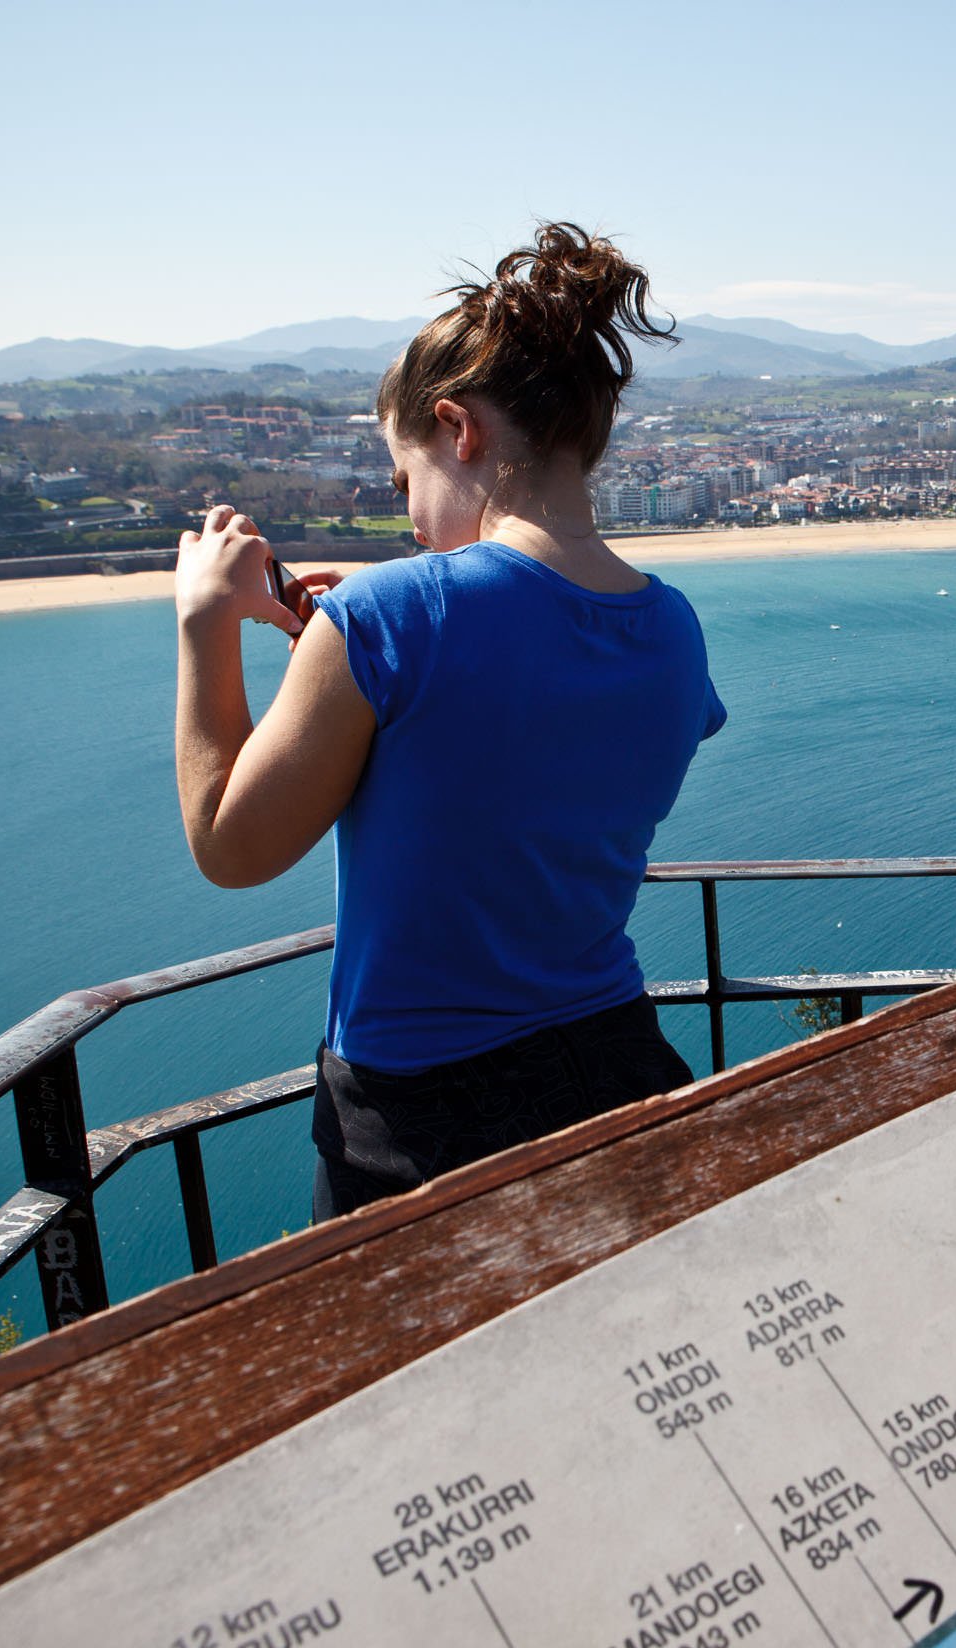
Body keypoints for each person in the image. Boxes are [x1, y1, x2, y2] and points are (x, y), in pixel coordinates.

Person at [170, 223, 724, 1222]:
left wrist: (207, 623)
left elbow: (230, 844)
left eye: (404, 477)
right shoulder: (672, 629)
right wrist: (367, 657)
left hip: (422, 1118)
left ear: (457, 429)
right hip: (619, 1065)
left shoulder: (390, 619)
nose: (408, 517)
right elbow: (525, 740)